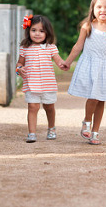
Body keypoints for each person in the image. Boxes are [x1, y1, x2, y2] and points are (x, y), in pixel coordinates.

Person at [64, 0, 106, 145]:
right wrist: (68, 61)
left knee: (101, 99)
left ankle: (95, 132)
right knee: (94, 97)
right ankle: (86, 120)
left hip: (105, 67)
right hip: (90, 65)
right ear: (93, 8)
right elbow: (78, 46)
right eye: (99, 7)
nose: (103, 10)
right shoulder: (88, 26)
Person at [16, 14, 69, 143]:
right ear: (28, 31)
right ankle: (32, 133)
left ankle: (51, 128)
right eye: (34, 30)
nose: (37, 34)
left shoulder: (50, 47)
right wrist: (19, 69)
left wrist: (64, 65)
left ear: (47, 33)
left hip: (47, 84)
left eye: (41, 31)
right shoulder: (25, 48)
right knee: (32, 107)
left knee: (49, 107)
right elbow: (19, 63)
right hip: (31, 84)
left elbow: (58, 61)